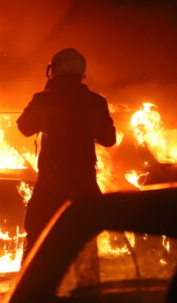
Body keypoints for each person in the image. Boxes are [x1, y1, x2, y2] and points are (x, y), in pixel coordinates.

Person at [17, 48, 116, 260]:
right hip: (83, 182)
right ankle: (87, 286)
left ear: (53, 71)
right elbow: (109, 139)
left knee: (38, 236)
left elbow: (24, 128)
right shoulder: (96, 101)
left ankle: (32, 285)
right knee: (87, 237)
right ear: (82, 74)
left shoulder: (43, 100)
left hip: (50, 183)